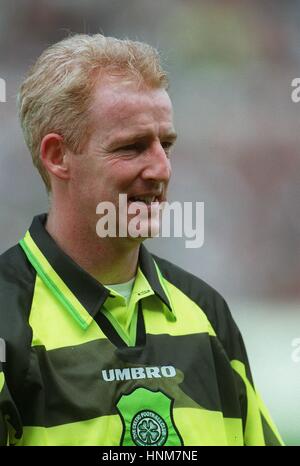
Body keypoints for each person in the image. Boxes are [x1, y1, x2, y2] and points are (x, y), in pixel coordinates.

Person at [0, 34, 283, 446]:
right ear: (58, 156)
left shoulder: (206, 314)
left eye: (165, 145)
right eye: (132, 147)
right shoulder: (7, 319)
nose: (161, 170)